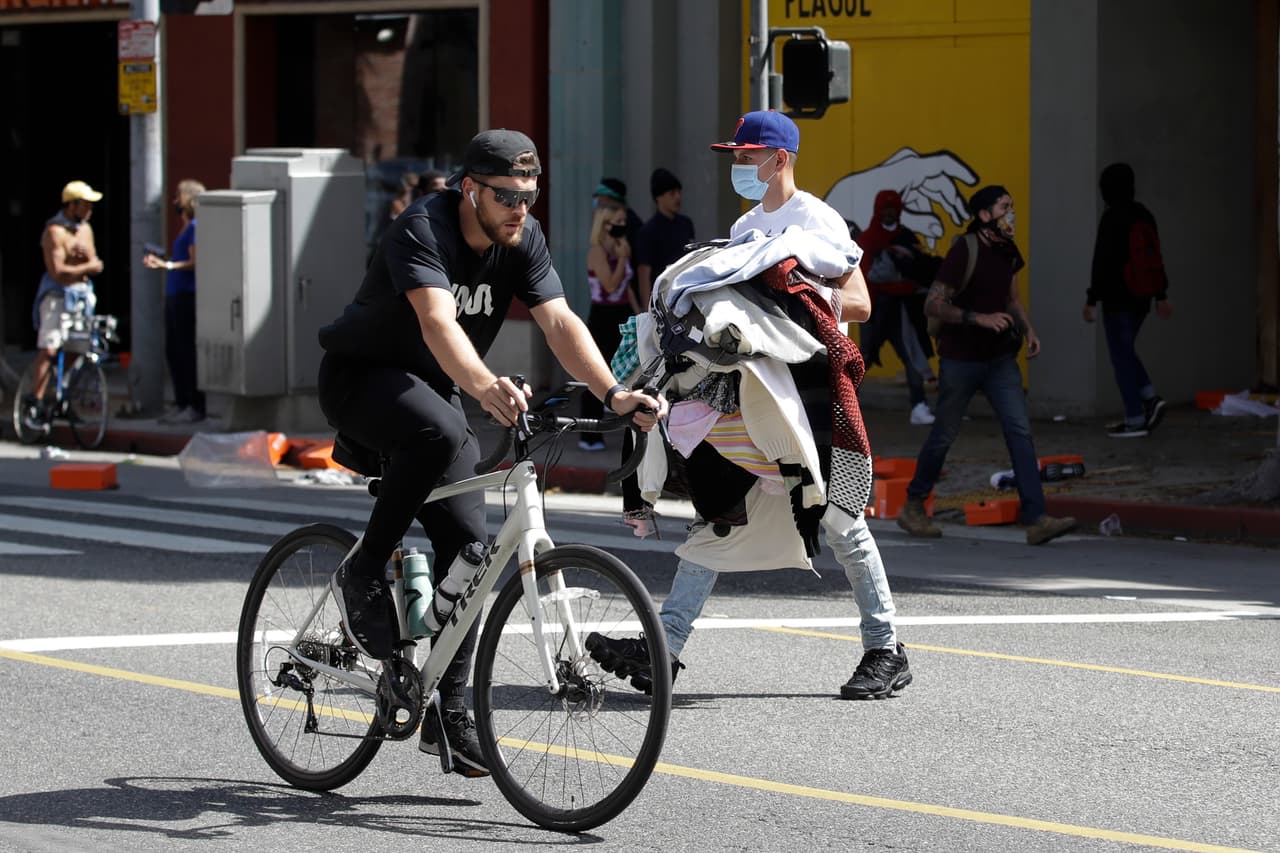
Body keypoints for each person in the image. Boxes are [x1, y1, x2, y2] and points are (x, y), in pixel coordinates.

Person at [316, 129, 664, 776]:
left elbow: (559, 321)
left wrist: (615, 393)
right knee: (445, 433)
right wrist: (484, 385)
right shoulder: (422, 229)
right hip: (363, 377)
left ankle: (446, 712)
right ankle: (362, 570)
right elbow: (437, 323)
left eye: (530, 197)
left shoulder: (520, 239)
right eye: (506, 196)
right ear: (469, 189)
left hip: (434, 388)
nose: (519, 209)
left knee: (472, 555)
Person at [594, 110, 912, 701]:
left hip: (813, 393)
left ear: (779, 159)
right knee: (721, 510)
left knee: (841, 519)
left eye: (746, 156)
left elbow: (861, 303)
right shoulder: (744, 227)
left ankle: (886, 648)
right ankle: (663, 649)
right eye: (735, 156)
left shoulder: (814, 219)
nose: (738, 166)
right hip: (749, 390)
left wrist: (791, 301)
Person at [897, 185, 1077, 546]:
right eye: (1004, 207)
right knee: (944, 434)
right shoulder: (966, 249)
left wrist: (1029, 331)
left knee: (1019, 431)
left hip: (999, 360)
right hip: (961, 359)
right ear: (984, 215)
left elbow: (1012, 300)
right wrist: (977, 318)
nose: (1011, 213)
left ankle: (1036, 517)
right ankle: (914, 505)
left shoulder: (1009, 251)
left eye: (1012, 206)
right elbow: (933, 304)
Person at [1085, 162, 1172, 438]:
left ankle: (1136, 417)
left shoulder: (1112, 218)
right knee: (1126, 350)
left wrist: (1091, 299)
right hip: (1142, 298)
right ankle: (1148, 399)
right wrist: (1161, 295)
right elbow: (1154, 258)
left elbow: (1102, 262)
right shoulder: (1144, 214)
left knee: (1120, 356)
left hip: (1116, 298)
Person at [856, 189, 937, 426]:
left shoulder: (908, 237)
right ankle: (842, 405)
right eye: (885, 208)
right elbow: (865, 276)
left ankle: (919, 406)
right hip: (875, 311)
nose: (890, 212)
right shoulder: (868, 239)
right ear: (878, 210)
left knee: (911, 357)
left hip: (901, 312)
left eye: (894, 208)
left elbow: (921, 269)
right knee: (862, 359)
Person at [29, 180, 104, 407]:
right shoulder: (54, 231)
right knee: (49, 348)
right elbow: (58, 272)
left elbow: (96, 263)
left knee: (78, 348)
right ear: (71, 205)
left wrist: (84, 261)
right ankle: (37, 400)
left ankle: (60, 388)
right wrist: (85, 266)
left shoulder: (86, 230)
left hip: (81, 294)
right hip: (57, 296)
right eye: (85, 204)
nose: (90, 209)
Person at [143, 179, 207, 423]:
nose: (175, 201)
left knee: (186, 350)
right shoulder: (186, 226)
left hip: (186, 295)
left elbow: (195, 261)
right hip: (175, 294)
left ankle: (193, 404)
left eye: (179, 196)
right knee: (174, 351)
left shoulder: (195, 226)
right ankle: (182, 402)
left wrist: (167, 264)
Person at [577, 204, 639, 451]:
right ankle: (589, 433)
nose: (622, 225)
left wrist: (640, 312)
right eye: (617, 221)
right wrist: (623, 258)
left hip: (622, 312)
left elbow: (627, 286)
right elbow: (611, 285)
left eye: (624, 220)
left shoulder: (621, 247)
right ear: (604, 225)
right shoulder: (597, 251)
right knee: (597, 369)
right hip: (603, 315)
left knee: (627, 369)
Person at [634, 168, 695, 310]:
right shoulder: (648, 231)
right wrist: (647, 309)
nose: (678, 197)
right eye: (672, 193)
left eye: (679, 192)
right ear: (659, 197)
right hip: (662, 297)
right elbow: (644, 274)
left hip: (685, 291)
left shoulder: (686, 223)